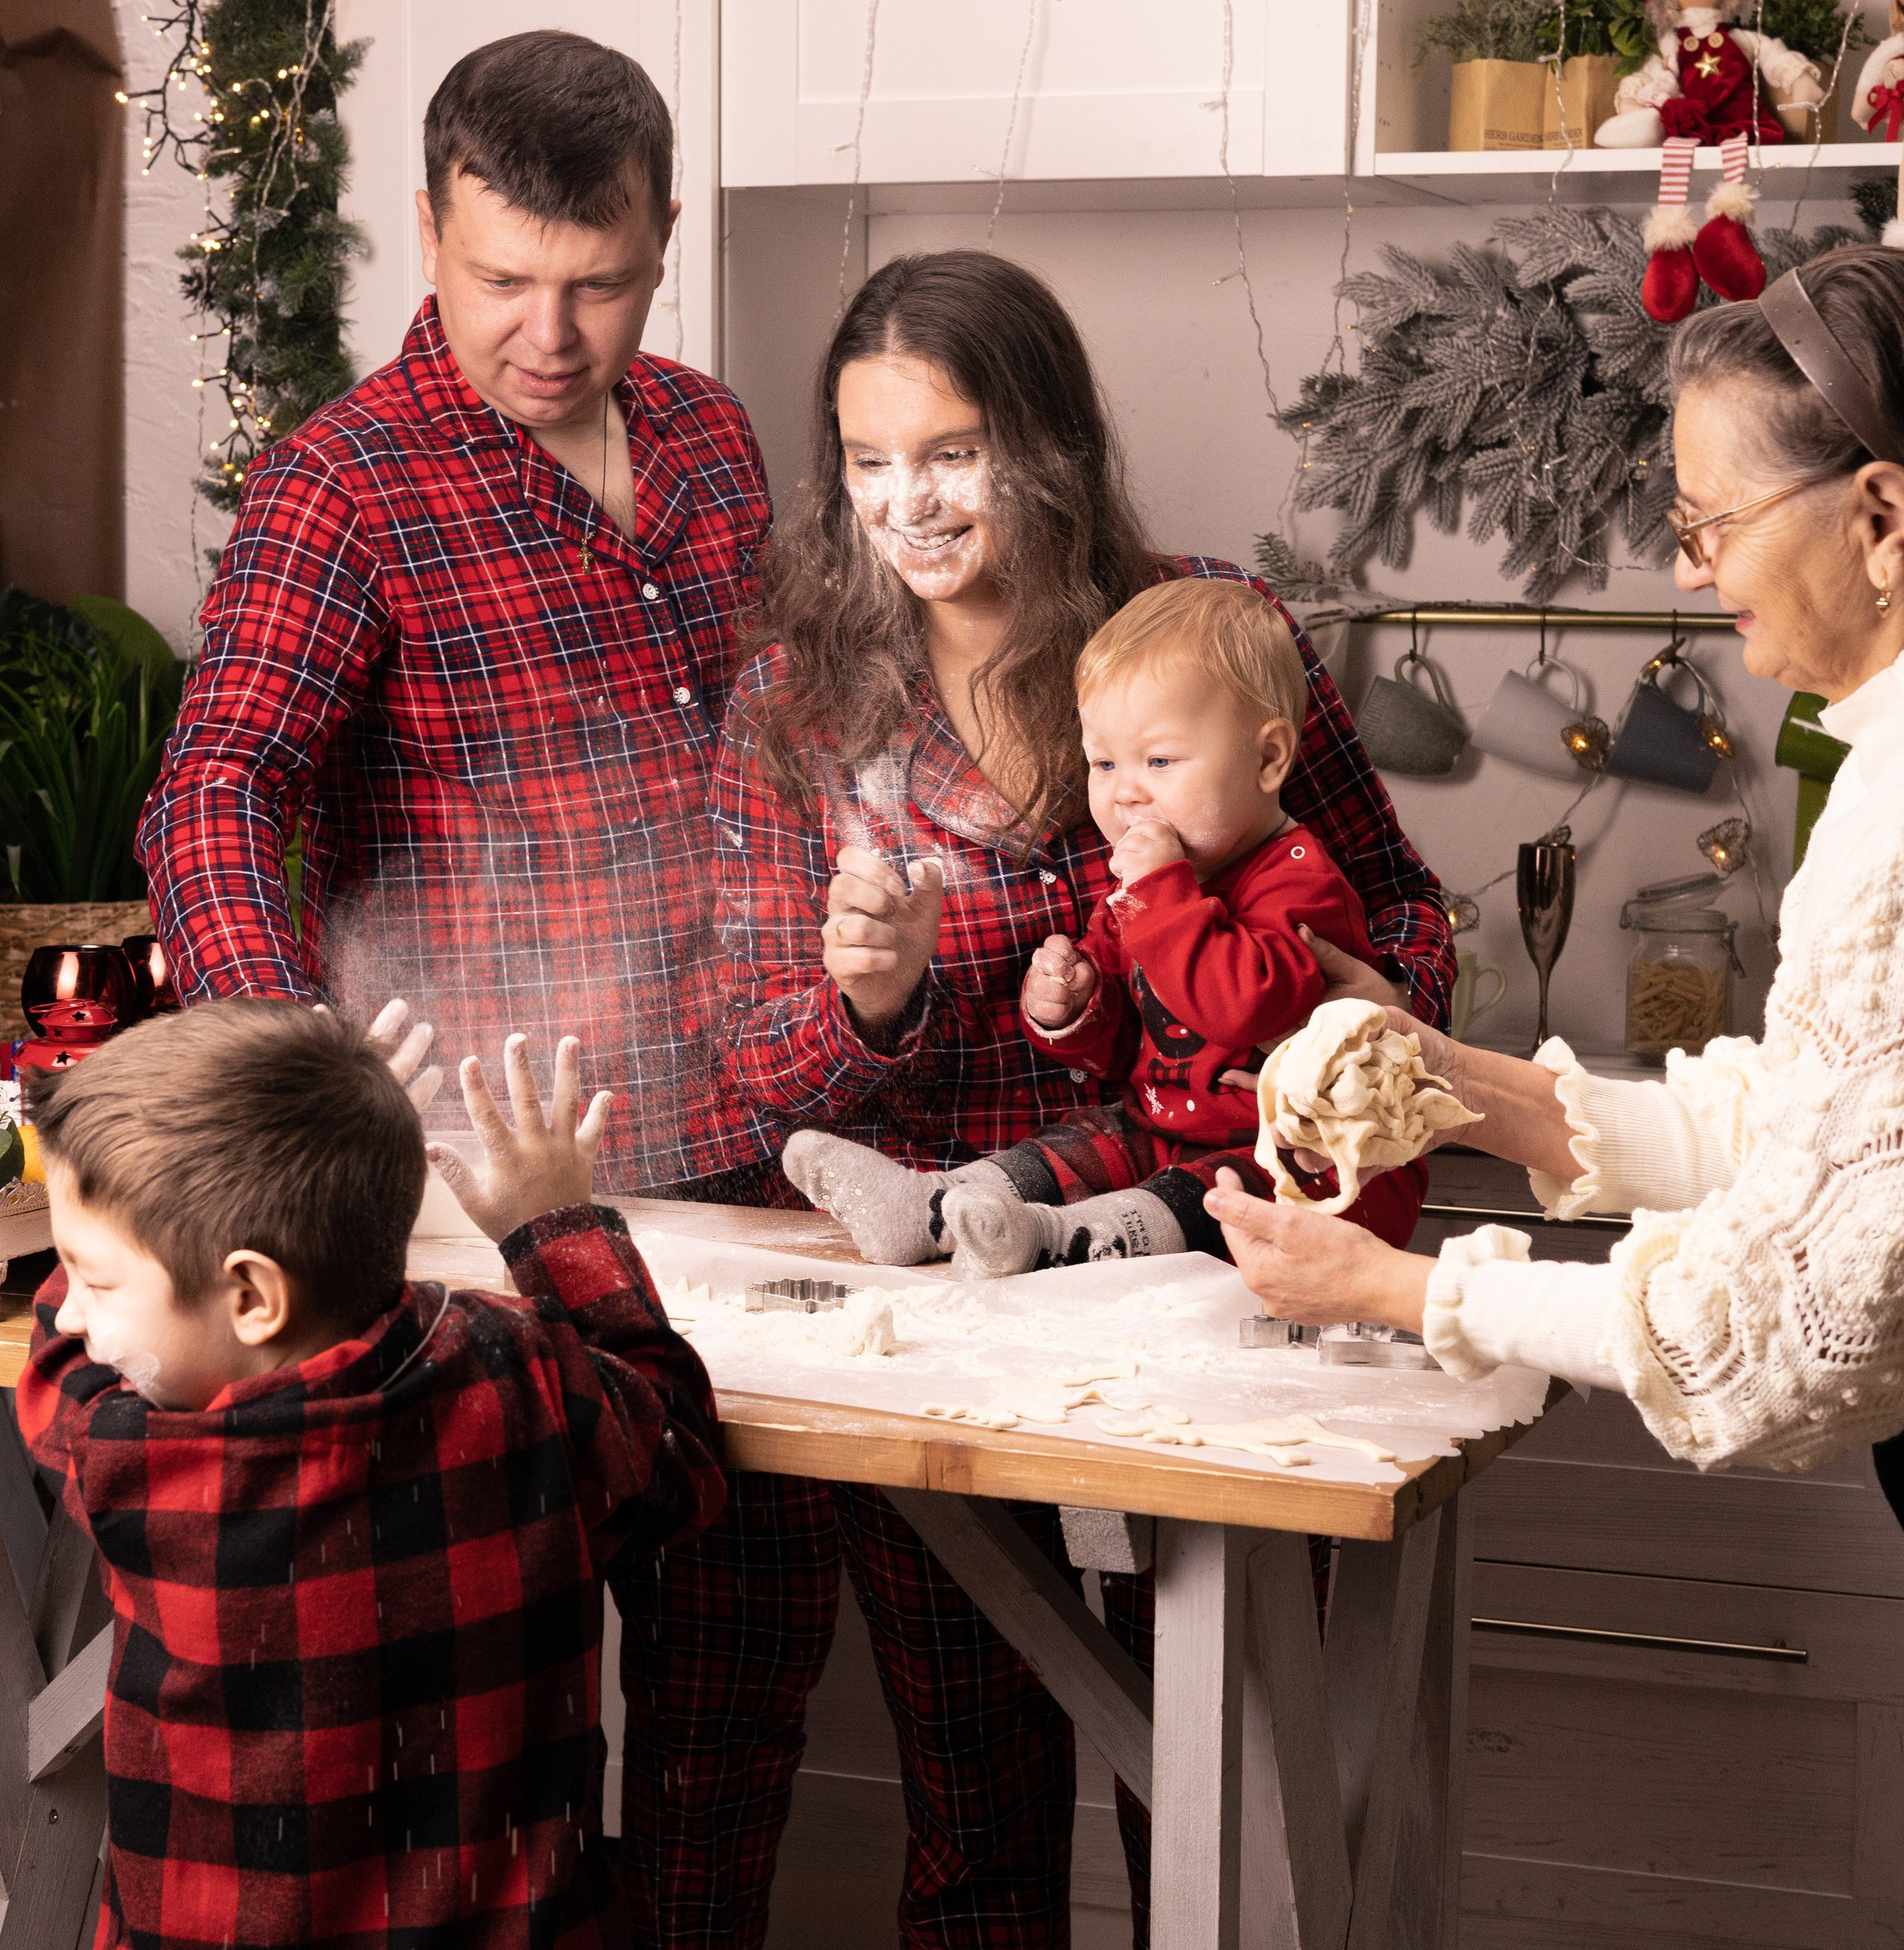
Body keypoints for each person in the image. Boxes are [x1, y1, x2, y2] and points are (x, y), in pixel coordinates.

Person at [606, 249, 1451, 1950]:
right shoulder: (802, 690)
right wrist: (877, 996)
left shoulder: (1196, 630)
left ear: (1044, 445)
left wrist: (1348, 1023)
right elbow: (752, 1065)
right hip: (949, 1307)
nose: (905, 502)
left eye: (949, 450)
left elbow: (1407, 913)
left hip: (1220, 1284)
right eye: (865, 461)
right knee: (979, 1802)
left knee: (1216, 1792)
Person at [1199, 245, 1904, 1948]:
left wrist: (1400, 1292)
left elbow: (1786, 1314)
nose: (1692, 578)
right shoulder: (1900, 748)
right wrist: (1469, 1088)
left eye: (1706, 527)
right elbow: (1818, 1132)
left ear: (1882, 517)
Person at [136, 29, 776, 1200]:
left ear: (664, 240)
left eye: (599, 284)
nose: (551, 337)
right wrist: (294, 1070)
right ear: (430, 234)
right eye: (502, 283)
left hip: (761, 1126)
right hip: (494, 1179)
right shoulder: (339, 486)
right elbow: (213, 792)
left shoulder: (713, 433)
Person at [14, 998, 722, 1946]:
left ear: (254, 1295)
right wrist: (555, 1224)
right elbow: (680, 1447)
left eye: (95, 1281)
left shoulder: (132, 1451)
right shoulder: (524, 1373)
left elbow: (53, 1368)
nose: (75, 1317)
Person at [786, 574, 1427, 1279]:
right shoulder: (1158, 883)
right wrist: (1071, 1006)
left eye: (1159, 761)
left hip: (1297, 1157)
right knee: (1080, 1142)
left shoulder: (1298, 878)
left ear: (1269, 758)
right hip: (1162, 1124)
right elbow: (1121, 1046)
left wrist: (1157, 892)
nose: (1125, 790)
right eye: (1104, 763)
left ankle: (1057, 1241)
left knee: (1209, 1197)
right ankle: (933, 1209)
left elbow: (1239, 1008)